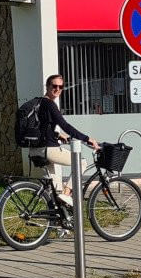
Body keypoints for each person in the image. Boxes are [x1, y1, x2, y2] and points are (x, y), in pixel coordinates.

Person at [19, 74, 100, 209]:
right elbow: (66, 126)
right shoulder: (50, 104)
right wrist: (87, 138)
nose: (57, 89)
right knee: (81, 162)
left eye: (60, 87)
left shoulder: (38, 103)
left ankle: (58, 219)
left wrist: (57, 135)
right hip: (48, 150)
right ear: (47, 86)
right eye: (54, 86)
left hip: (35, 150)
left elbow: (41, 127)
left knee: (55, 190)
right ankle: (68, 193)